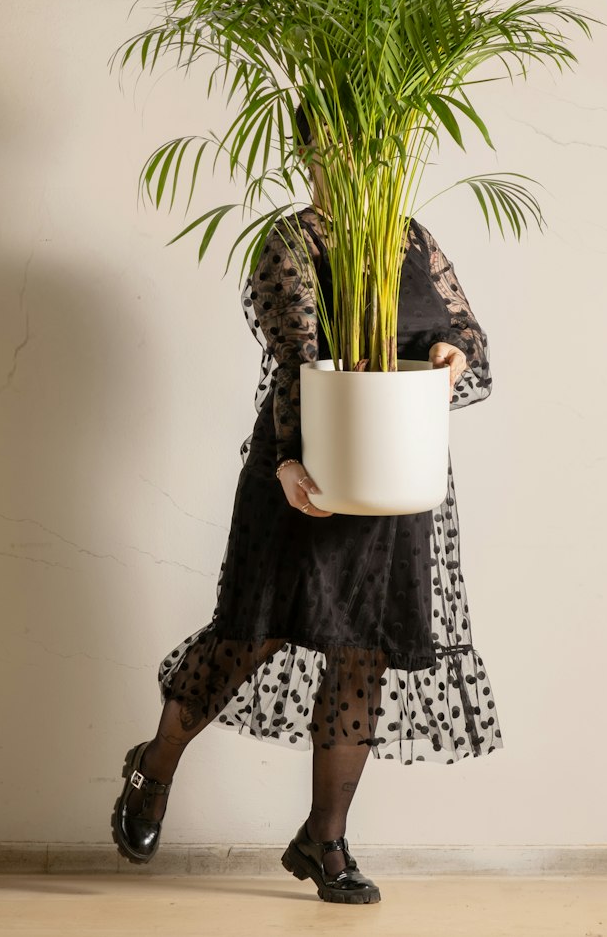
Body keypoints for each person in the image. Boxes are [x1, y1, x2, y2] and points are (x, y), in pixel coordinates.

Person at [111, 122, 503, 905]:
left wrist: (451, 352)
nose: (354, 159)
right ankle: (154, 768)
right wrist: (290, 461)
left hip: (397, 473)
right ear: (309, 152)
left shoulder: (413, 237)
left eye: (368, 143)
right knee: (253, 634)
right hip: (305, 473)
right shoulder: (290, 242)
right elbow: (293, 358)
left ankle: (323, 840)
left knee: (363, 649)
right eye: (334, 145)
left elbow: (470, 339)